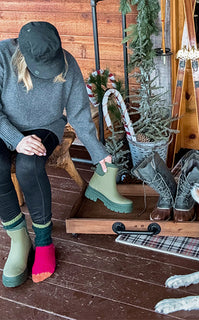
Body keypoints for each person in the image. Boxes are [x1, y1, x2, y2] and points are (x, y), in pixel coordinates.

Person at [0, 21, 112, 287]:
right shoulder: (3, 56)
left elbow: (78, 113)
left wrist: (98, 153)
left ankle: (43, 241)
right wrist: (16, 140)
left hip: (45, 126)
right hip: (5, 124)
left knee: (29, 167)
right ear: (22, 53)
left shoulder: (67, 63)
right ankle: (18, 239)